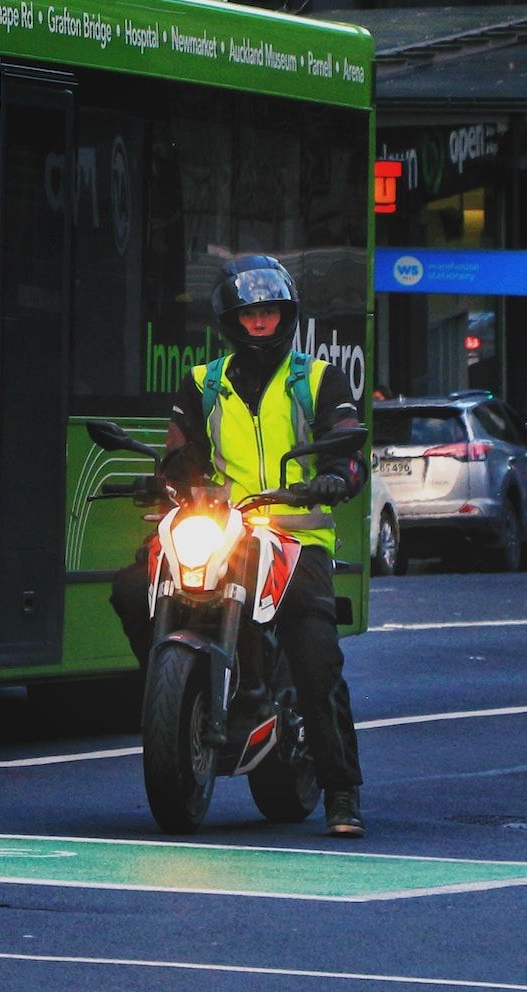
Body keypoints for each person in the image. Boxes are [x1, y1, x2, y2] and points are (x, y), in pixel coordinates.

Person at [109, 255, 369, 838]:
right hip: (223, 525)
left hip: (296, 535)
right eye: (248, 313)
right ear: (229, 320)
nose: (259, 322)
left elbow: (347, 448)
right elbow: (181, 454)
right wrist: (163, 478)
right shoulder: (203, 382)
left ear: (286, 315)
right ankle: (175, 697)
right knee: (131, 586)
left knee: (315, 655)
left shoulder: (319, 379)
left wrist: (337, 476)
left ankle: (341, 790)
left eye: (269, 311)